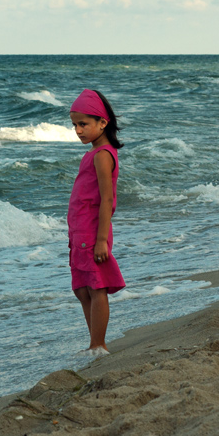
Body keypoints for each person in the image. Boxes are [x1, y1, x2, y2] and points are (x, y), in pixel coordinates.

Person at [68, 89, 125, 355]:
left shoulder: (103, 154)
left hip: (92, 232)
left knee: (96, 285)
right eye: (74, 125)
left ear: (103, 123)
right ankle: (94, 342)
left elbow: (106, 199)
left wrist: (101, 239)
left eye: (83, 124)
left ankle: (98, 344)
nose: (78, 130)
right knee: (82, 289)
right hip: (80, 230)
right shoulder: (93, 152)